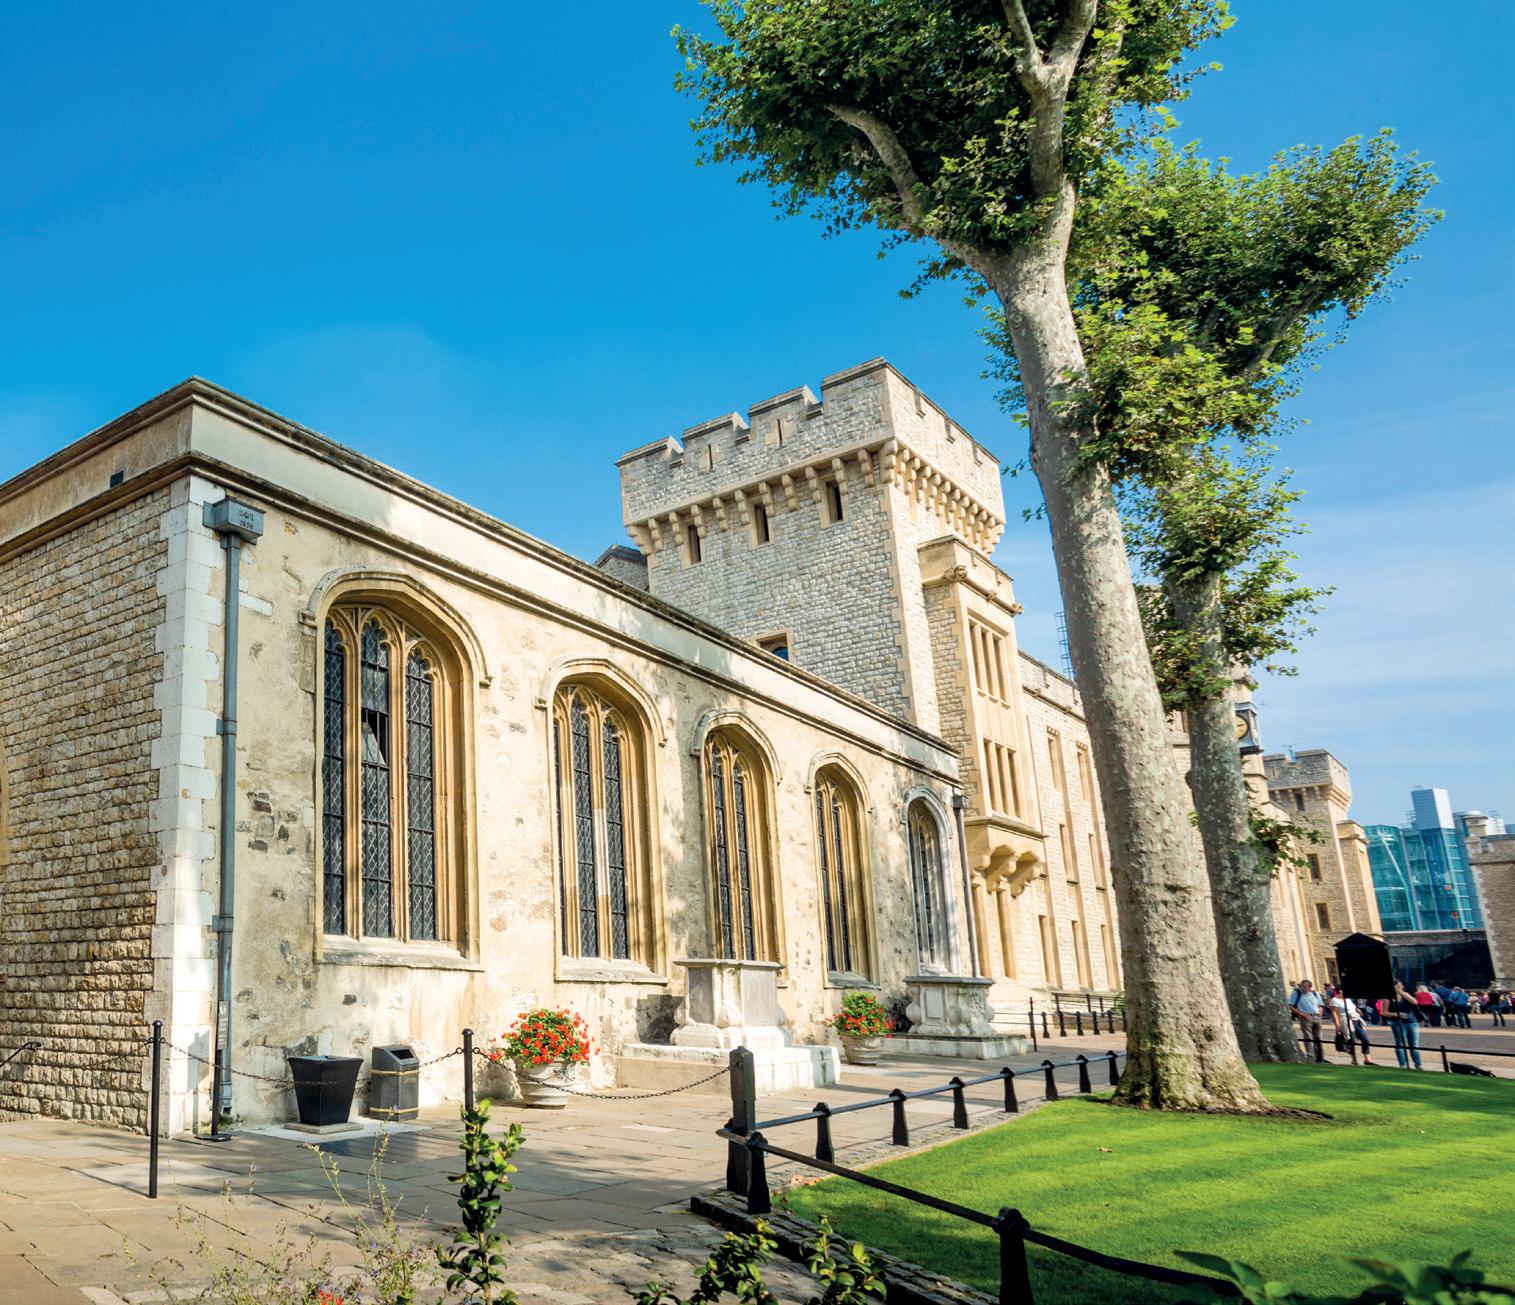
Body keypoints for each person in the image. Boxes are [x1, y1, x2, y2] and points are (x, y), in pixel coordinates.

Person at [1381, 981, 1424, 1070]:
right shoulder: (1387, 999)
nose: (1402, 987)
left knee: (1414, 1045)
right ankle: (1403, 1064)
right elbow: (1384, 1012)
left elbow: (1415, 1002)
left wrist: (1401, 993)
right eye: (1399, 986)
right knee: (1400, 1044)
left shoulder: (1405, 994)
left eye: (1401, 985)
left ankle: (1418, 1065)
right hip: (1397, 1023)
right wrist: (1396, 1014)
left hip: (1412, 1022)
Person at [1328, 988, 1373, 1064]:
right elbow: (1334, 1013)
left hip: (1355, 1019)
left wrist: (1359, 1012)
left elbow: (1354, 1008)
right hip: (1345, 1020)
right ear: (1340, 991)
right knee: (1351, 1040)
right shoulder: (1334, 1000)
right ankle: (1353, 1059)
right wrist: (1337, 1025)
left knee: (1365, 1039)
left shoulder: (1348, 999)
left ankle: (1367, 1059)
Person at [1288, 979, 1326, 1062]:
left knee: (1319, 1037)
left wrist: (1320, 1015)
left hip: (1316, 1016)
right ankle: (1311, 1056)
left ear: (1310, 987)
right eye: (1301, 986)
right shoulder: (1297, 993)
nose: (1302, 988)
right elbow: (1290, 1005)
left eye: (1304, 987)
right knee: (1308, 1037)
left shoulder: (1315, 994)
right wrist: (1301, 1014)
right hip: (1305, 1017)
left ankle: (1320, 1057)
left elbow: (1320, 1005)